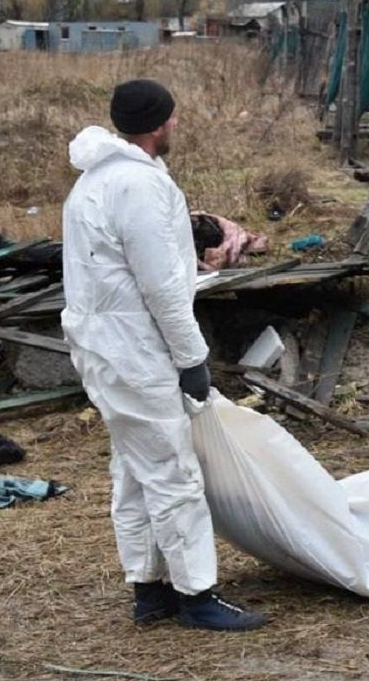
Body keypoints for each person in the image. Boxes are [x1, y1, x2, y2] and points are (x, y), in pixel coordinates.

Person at [61, 79, 266, 631]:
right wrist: (191, 358)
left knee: (134, 470)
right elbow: (160, 288)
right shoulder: (137, 186)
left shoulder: (95, 182)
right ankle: (197, 595)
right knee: (173, 471)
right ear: (157, 126)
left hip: (105, 348)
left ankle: (149, 591)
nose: (176, 125)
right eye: (172, 119)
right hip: (133, 350)